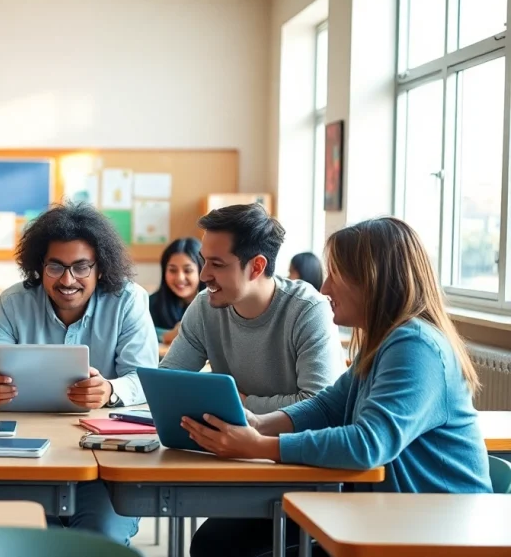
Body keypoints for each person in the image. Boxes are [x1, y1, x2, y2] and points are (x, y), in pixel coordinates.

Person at [181, 217, 492, 557]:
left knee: (225, 547)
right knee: (217, 542)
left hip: (435, 533)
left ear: (372, 280)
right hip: (390, 519)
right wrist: (259, 423)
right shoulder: (386, 341)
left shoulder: (415, 346)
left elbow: (367, 444)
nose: (325, 288)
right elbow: (329, 406)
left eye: (336, 276)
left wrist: (259, 447)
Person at [0, 202, 157, 546]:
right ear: (39, 266)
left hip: (105, 465)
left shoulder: (128, 301)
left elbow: (145, 380)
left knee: (101, 541)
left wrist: (108, 390)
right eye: (55, 267)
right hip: (24, 458)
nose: (67, 280)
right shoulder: (14, 302)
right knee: (25, 542)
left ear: (100, 268)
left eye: (81, 267)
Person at [161, 204, 345, 414]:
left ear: (257, 266)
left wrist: (240, 403)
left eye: (217, 264)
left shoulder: (309, 310)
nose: (203, 276)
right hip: (225, 441)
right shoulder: (204, 306)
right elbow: (166, 384)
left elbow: (319, 406)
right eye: (204, 261)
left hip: (291, 444)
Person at [150, 237, 205, 344]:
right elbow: (139, 330)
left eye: (188, 270)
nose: (180, 278)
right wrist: (167, 335)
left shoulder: (214, 304)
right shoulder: (150, 303)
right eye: (173, 270)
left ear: (201, 271)